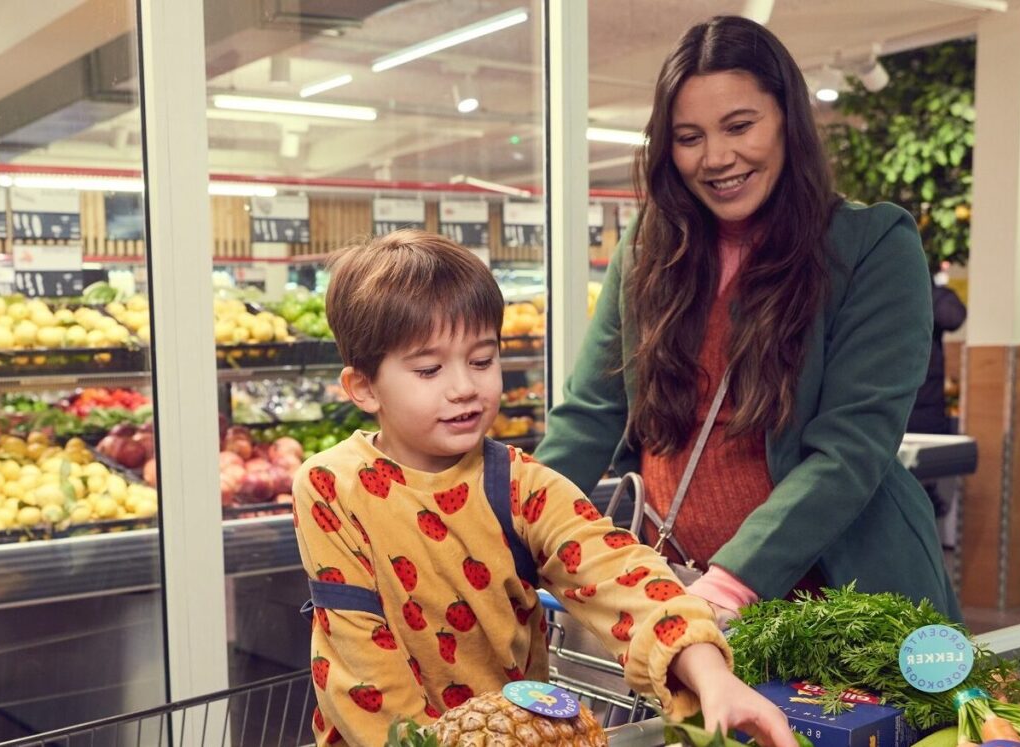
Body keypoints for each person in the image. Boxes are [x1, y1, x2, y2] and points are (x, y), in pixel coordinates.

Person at [293, 229, 794, 747]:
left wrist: (709, 671)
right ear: (364, 388)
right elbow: (362, 666)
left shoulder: (516, 483)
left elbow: (619, 570)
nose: (464, 385)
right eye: (429, 368)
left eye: (483, 360)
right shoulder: (331, 488)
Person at [534, 15, 960, 623]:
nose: (717, 157)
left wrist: (728, 587)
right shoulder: (650, 248)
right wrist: (507, 538)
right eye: (688, 136)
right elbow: (590, 414)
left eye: (740, 125)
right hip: (677, 588)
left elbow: (851, 446)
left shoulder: (872, 245)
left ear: (787, 117)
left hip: (836, 600)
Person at [909, 268, 966, 519]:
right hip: (887, 405)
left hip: (925, 410)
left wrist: (919, 289)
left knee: (922, 490)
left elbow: (953, 317)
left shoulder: (935, 296)